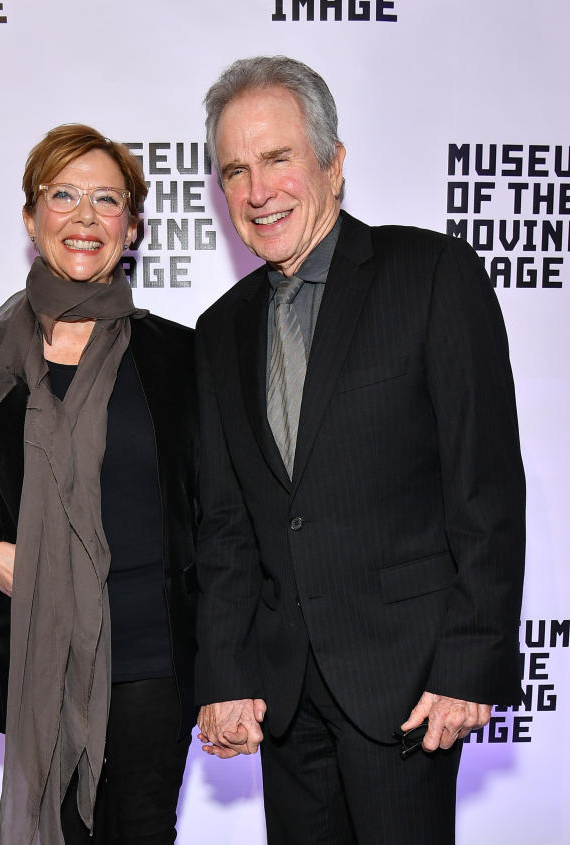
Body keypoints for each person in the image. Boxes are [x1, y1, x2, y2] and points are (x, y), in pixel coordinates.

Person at [193, 56, 526, 845]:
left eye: (278, 159)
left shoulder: (432, 275)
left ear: (333, 165)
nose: (257, 190)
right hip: (286, 699)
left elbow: (484, 486)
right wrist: (229, 674)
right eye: (235, 170)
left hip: (407, 688)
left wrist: (468, 664)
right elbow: (227, 525)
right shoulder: (219, 331)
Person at [0, 124, 197, 845]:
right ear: (32, 217)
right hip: (42, 651)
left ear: (131, 226)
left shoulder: (180, 354)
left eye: (106, 200)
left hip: (153, 653)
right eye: (64, 195)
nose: (85, 217)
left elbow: (212, 511)